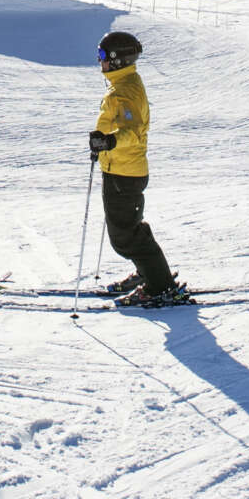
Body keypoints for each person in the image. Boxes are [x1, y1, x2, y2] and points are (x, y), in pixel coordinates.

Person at [88, 30, 187, 306]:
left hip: (125, 172)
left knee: (125, 237)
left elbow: (132, 132)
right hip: (120, 168)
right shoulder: (122, 84)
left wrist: (108, 140)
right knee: (128, 230)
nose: (100, 62)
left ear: (118, 60)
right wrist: (103, 142)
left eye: (103, 56)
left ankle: (161, 286)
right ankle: (150, 273)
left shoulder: (126, 89)